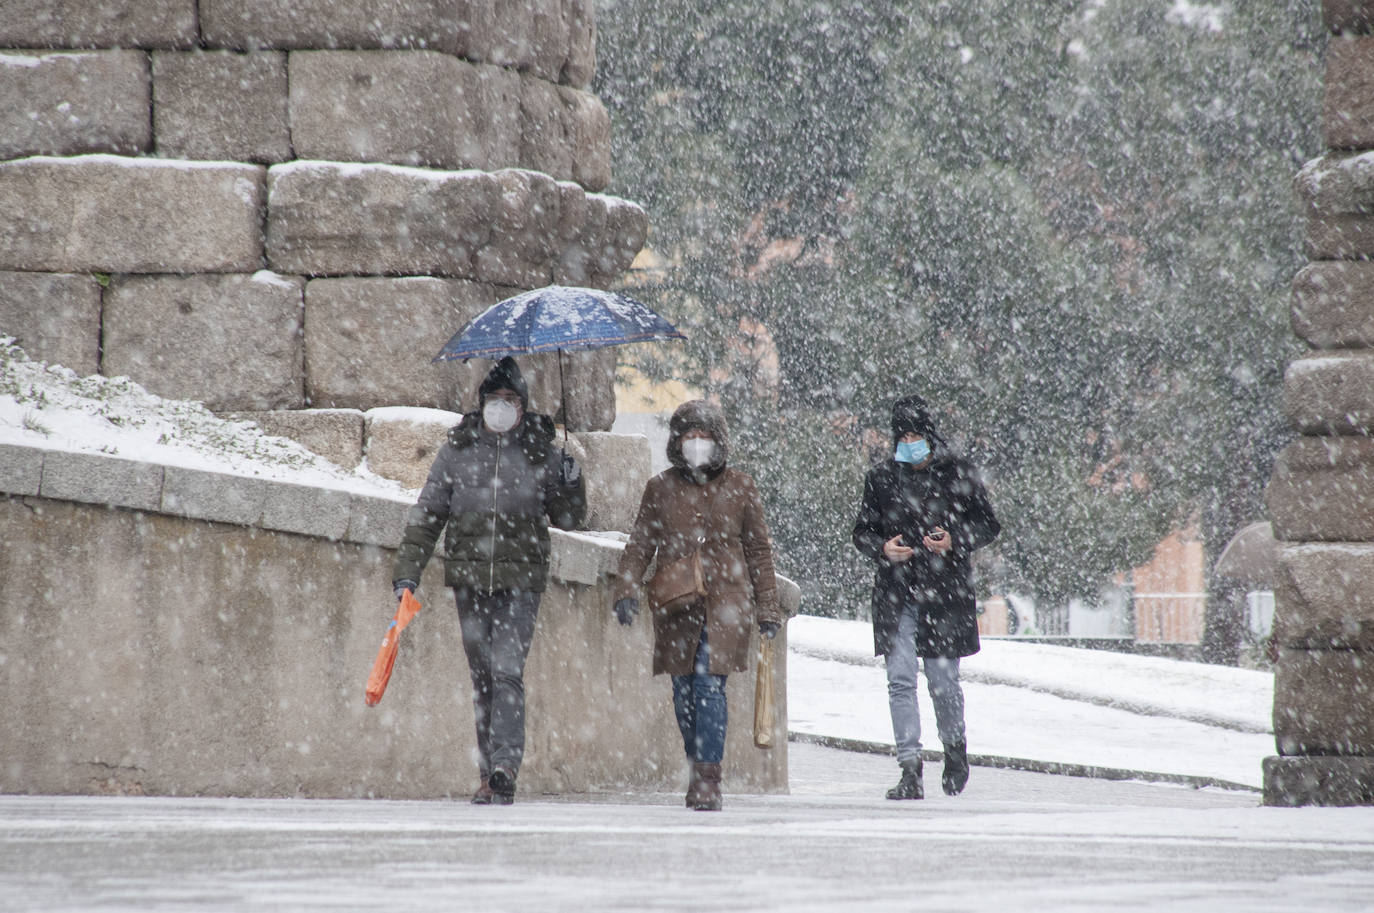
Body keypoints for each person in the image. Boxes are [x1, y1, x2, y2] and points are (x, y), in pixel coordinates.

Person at [391, 356, 585, 805]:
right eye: (494, 399)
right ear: (481, 405)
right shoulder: (457, 450)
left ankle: (505, 766)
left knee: (506, 671)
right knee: (483, 677)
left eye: (510, 399)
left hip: (521, 581)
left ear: (522, 406)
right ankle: (486, 773)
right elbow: (427, 516)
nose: (502, 406)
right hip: (470, 579)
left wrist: (572, 484)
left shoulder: (542, 451)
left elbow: (570, 519)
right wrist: (407, 574)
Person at [611, 400, 783, 811]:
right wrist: (626, 589)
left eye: (704, 436)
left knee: (709, 687)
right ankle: (696, 766)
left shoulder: (741, 486)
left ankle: (709, 778)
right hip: (676, 603)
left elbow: (758, 550)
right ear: (677, 441)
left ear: (718, 441)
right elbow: (640, 543)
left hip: (727, 604)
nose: (697, 444)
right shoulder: (660, 487)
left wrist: (768, 608)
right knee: (683, 692)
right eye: (690, 436)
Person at [852, 395, 999, 800]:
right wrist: (883, 548)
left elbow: (988, 523)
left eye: (916, 434)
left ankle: (955, 749)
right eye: (903, 435)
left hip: (944, 594)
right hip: (896, 595)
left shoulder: (958, 474)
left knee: (942, 680)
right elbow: (862, 530)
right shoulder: (881, 479)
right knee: (899, 680)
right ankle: (910, 768)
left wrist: (955, 540)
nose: (909, 441)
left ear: (930, 435)